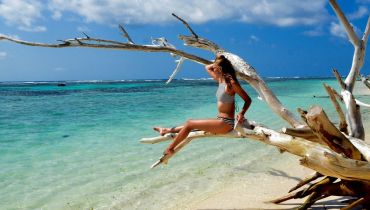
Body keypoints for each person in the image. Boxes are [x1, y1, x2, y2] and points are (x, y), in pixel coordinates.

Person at [154, 55, 252, 155]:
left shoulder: (231, 83)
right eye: (214, 68)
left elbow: (248, 100)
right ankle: (166, 130)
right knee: (190, 126)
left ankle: (170, 149)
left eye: (216, 68)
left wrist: (242, 113)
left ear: (221, 68)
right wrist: (217, 63)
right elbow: (207, 67)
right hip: (219, 120)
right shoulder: (220, 79)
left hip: (226, 124)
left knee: (190, 123)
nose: (213, 69)